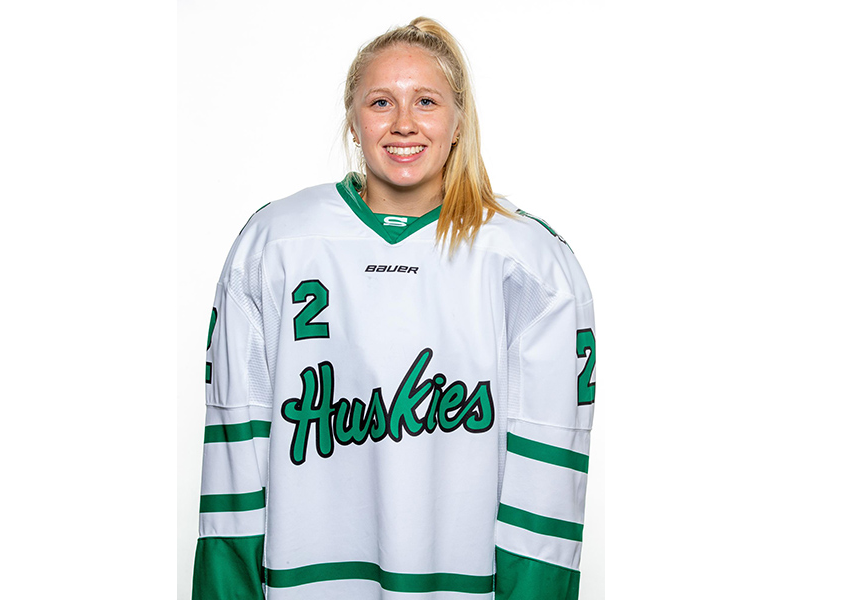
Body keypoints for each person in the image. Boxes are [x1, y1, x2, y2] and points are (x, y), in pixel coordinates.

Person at [192, 16, 596, 600]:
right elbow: (234, 448)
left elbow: (549, 476)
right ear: (353, 122)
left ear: (459, 122)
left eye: (426, 101)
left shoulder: (527, 261)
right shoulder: (275, 243)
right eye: (381, 102)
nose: (404, 123)